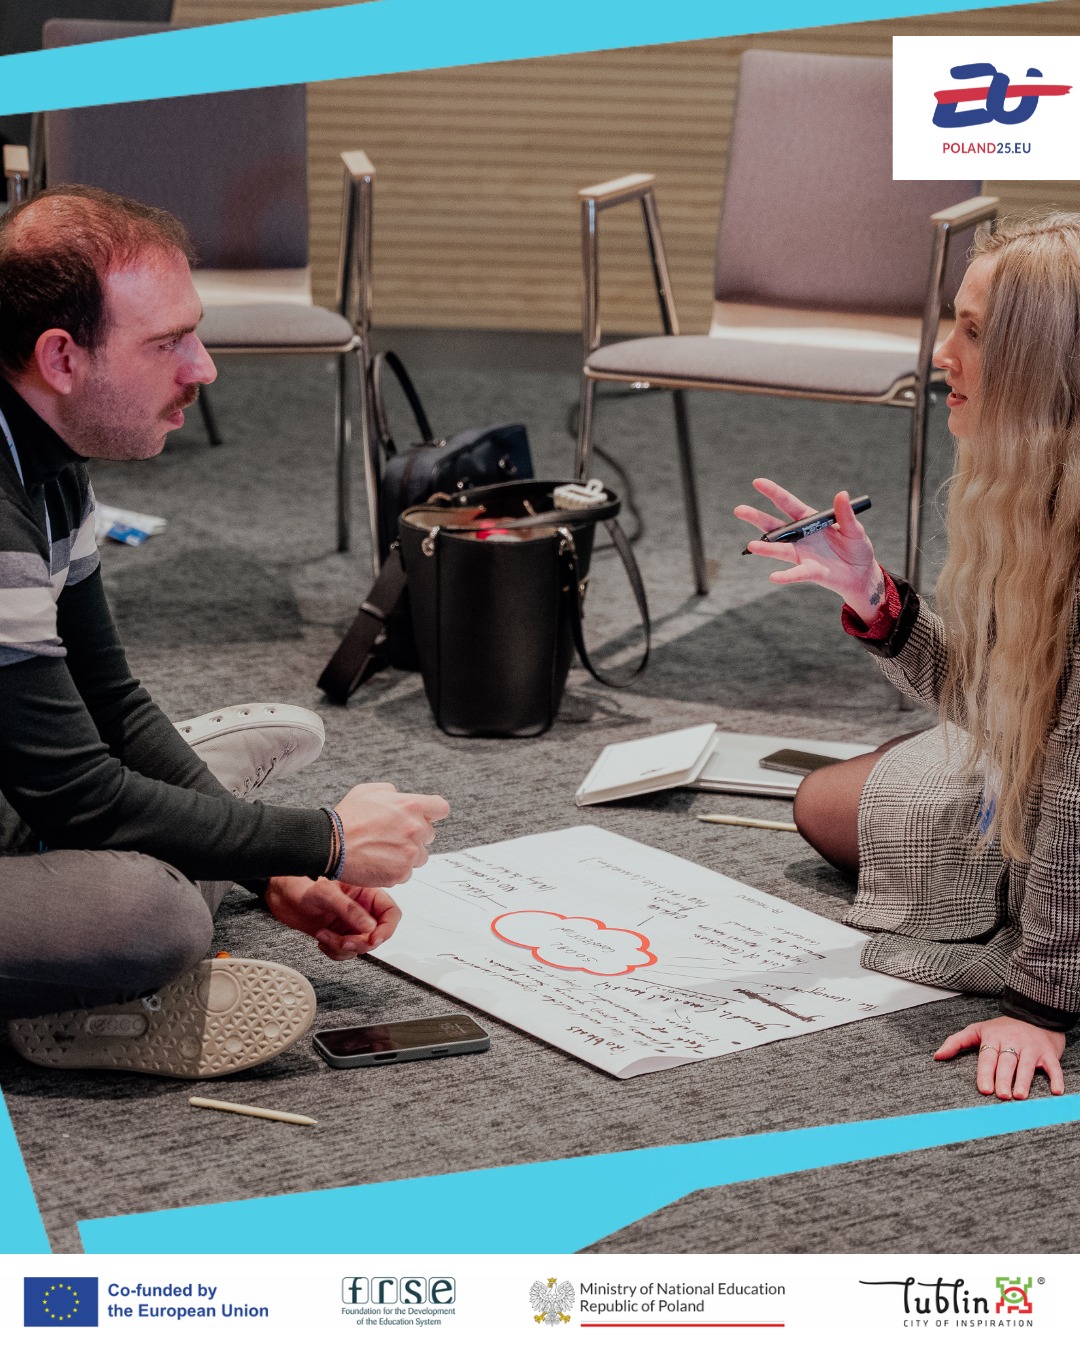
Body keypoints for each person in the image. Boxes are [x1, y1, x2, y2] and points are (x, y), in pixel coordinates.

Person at [0, 185, 449, 1077]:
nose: (202, 368)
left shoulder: (48, 457)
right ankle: (65, 993)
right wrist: (319, 840)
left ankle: (197, 823)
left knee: (130, 806)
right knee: (150, 916)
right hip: (44, 794)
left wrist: (265, 871)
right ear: (61, 356)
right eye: (168, 342)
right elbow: (80, 797)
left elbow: (113, 704)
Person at [735, 214, 1080, 1104]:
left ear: (1045, 362)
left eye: (973, 331)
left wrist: (1041, 1004)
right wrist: (875, 600)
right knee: (826, 799)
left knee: (839, 808)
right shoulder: (1043, 486)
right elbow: (1009, 698)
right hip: (1045, 781)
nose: (941, 353)